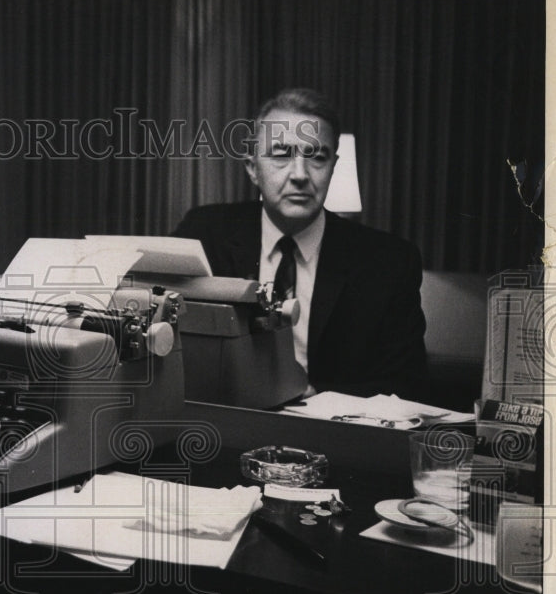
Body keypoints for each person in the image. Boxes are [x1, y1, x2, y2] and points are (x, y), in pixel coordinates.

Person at [172, 88, 427, 400]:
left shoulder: (388, 261)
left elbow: (406, 385)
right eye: (281, 155)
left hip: (333, 434)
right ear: (252, 168)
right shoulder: (205, 233)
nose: (300, 175)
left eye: (317, 157)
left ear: (333, 167)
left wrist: (315, 395)